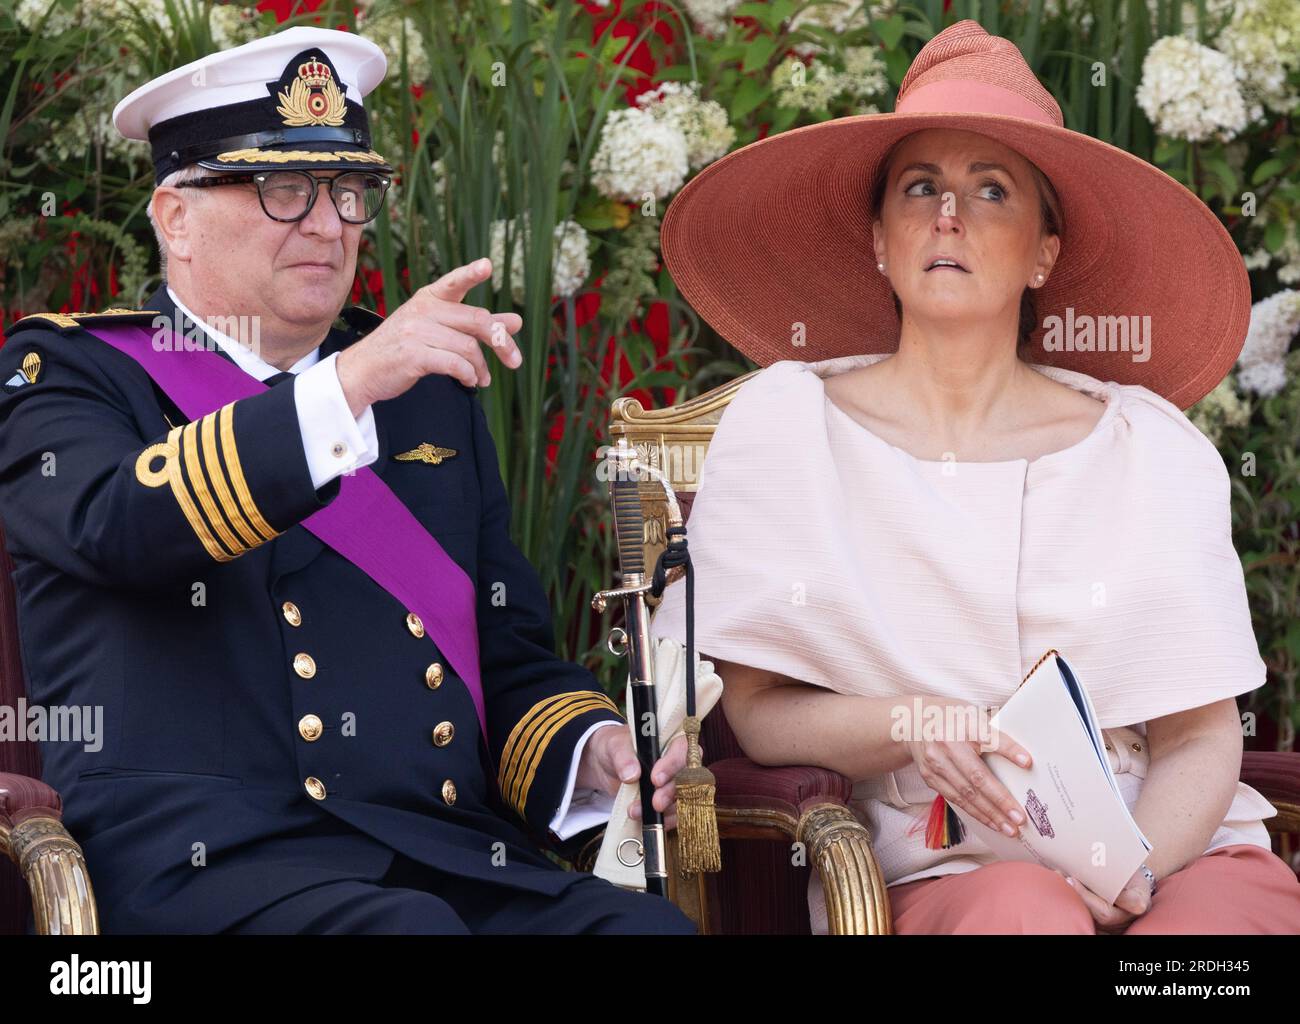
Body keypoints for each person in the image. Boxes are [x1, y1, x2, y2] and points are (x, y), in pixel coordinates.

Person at [0, 26, 694, 935]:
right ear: (175, 216)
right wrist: (347, 386)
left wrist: (591, 753)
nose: (329, 225)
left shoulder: (424, 402)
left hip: (439, 852)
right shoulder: (70, 373)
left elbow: (505, 650)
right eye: (284, 190)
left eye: (349, 192)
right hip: (207, 865)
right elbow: (122, 522)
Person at [647, 20, 1300, 934]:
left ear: (1044, 252)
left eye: (990, 190)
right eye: (922, 188)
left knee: (1216, 949)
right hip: (948, 865)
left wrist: (1128, 875)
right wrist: (915, 721)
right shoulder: (791, 428)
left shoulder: (1150, 446)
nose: (948, 214)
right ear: (879, 237)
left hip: (1175, 849)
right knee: (1025, 915)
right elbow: (758, 713)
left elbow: (1201, 734)